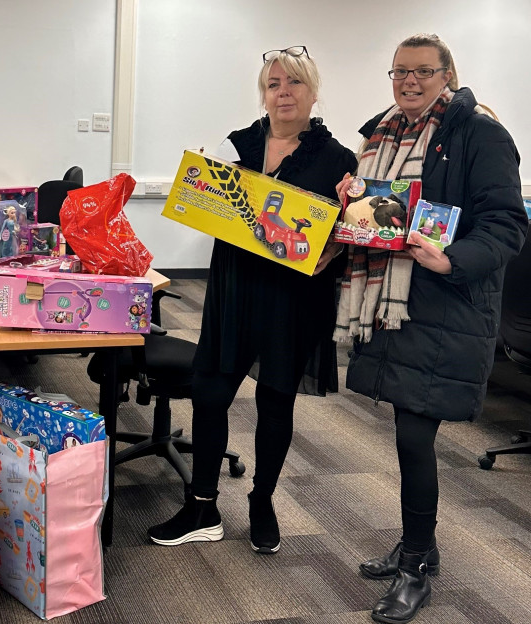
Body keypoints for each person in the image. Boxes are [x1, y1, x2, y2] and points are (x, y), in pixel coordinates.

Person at [334, 34, 526, 623]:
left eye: (422, 71)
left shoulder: (480, 134)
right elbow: (378, 220)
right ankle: (420, 545)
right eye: (399, 72)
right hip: (395, 304)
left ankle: (415, 564)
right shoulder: (379, 136)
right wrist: (350, 201)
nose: (409, 82)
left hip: (445, 306)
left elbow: (507, 225)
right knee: (404, 432)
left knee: (415, 438)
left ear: (447, 74)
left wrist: (451, 259)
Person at [147, 47, 356, 553]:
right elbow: (201, 207)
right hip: (235, 288)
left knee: (275, 401)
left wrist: (335, 246)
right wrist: (199, 187)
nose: (283, 93)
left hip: (293, 298)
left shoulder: (339, 160)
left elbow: (345, 233)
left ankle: (262, 501)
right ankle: (202, 504)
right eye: (273, 84)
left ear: (312, 91)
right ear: (263, 93)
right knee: (210, 393)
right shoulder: (235, 144)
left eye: (294, 84)